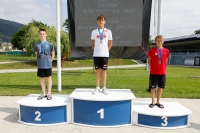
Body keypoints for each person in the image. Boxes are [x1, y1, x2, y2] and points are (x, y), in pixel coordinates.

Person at [91, 14, 113, 95]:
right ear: (97, 21)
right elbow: (92, 44)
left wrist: (106, 51)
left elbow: (110, 43)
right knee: (97, 70)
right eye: (100, 20)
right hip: (96, 54)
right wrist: (96, 50)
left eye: (103, 20)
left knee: (103, 71)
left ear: (105, 22)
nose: (101, 21)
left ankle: (104, 87)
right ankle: (97, 87)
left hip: (105, 54)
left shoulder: (108, 31)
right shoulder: (94, 32)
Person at [148, 35, 170, 108]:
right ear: (155, 42)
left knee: (160, 87)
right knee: (153, 87)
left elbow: (166, 60)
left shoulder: (166, 50)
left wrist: (161, 67)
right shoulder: (152, 50)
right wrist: (153, 68)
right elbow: (149, 62)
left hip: (162, 72)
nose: (160, 42)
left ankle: (158, 102)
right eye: (158, 41)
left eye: (161, 41)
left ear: (163, 41)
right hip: (154, 72)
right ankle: (153, 102)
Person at [33, 28, 55, 100]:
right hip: (40, 64)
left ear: (46, 34)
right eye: (40, 34)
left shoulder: (50, 44)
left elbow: (53, 53)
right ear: (39, 35)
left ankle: (49, 93)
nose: (42, 35)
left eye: (43, 34)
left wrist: (50, 61)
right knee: (41, 78)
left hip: (48, 64)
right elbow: (36, 54)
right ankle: (44, 93)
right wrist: (39, 61)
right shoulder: (36, 44)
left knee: (48, 78)